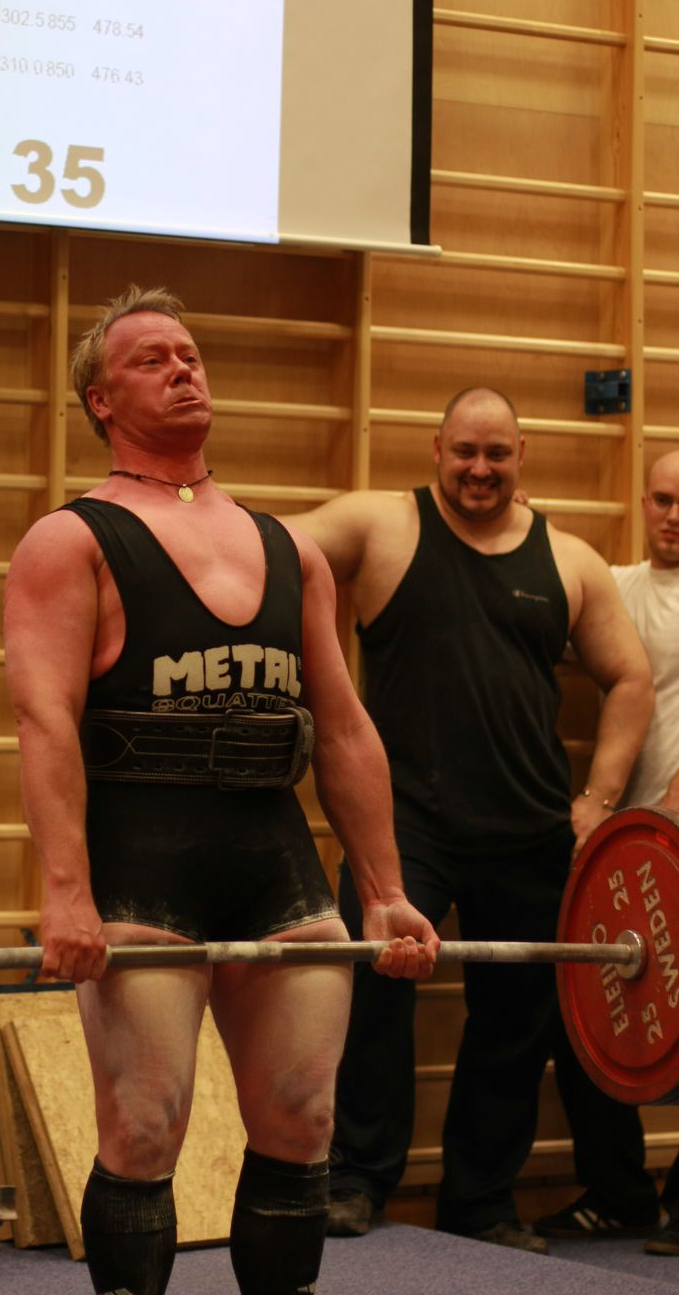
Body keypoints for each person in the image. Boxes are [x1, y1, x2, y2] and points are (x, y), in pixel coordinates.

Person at [2, 285, 440, 1295]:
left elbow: (341, 728)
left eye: (189, 354)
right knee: (143, 1126)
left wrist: (383, 890)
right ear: (100, 400)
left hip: (273, 862)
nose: (181, 368)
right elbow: (44, 723)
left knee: (303, 1120)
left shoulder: (289, 549)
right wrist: (66, 892)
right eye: (150, 359)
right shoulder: (69, 542)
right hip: (140, 867)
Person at [291, 387, 655, 1253]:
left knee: (513, 1026)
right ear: (436, 450)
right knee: (373, 1002)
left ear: (521, 455)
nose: (479, 469)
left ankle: (479, 1202)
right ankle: (355, 1180)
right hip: (402, 826)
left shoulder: (568, 560)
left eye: (496, 454)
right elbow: (268, 546)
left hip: (530, 831)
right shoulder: (382, 526)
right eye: (464, 452)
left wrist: (597, 801)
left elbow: (630, 679)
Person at [535, 448, 679, 1250]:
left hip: (671, 831)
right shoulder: (616, 587)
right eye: (660, 499)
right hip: (625, 842)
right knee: (585, 1010)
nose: (672, 515)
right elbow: (534, 618)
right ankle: (621, 1191)